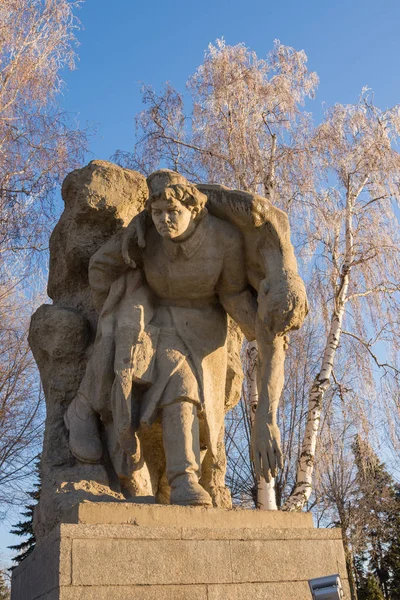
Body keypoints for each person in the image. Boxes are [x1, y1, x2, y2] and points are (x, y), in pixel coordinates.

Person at [65, 169, 257, 506]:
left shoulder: (224, 240)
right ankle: (183, 480)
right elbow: (100, 267)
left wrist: (260, 326)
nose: (164, 220)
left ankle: (187, 478)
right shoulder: (143, 236)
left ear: (194, 210)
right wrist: (115, 303)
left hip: (204, 330)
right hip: (156, 323)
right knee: (178, 381)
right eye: (157, 213)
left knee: (200, 400)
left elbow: (234, 295)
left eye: (173, 212)